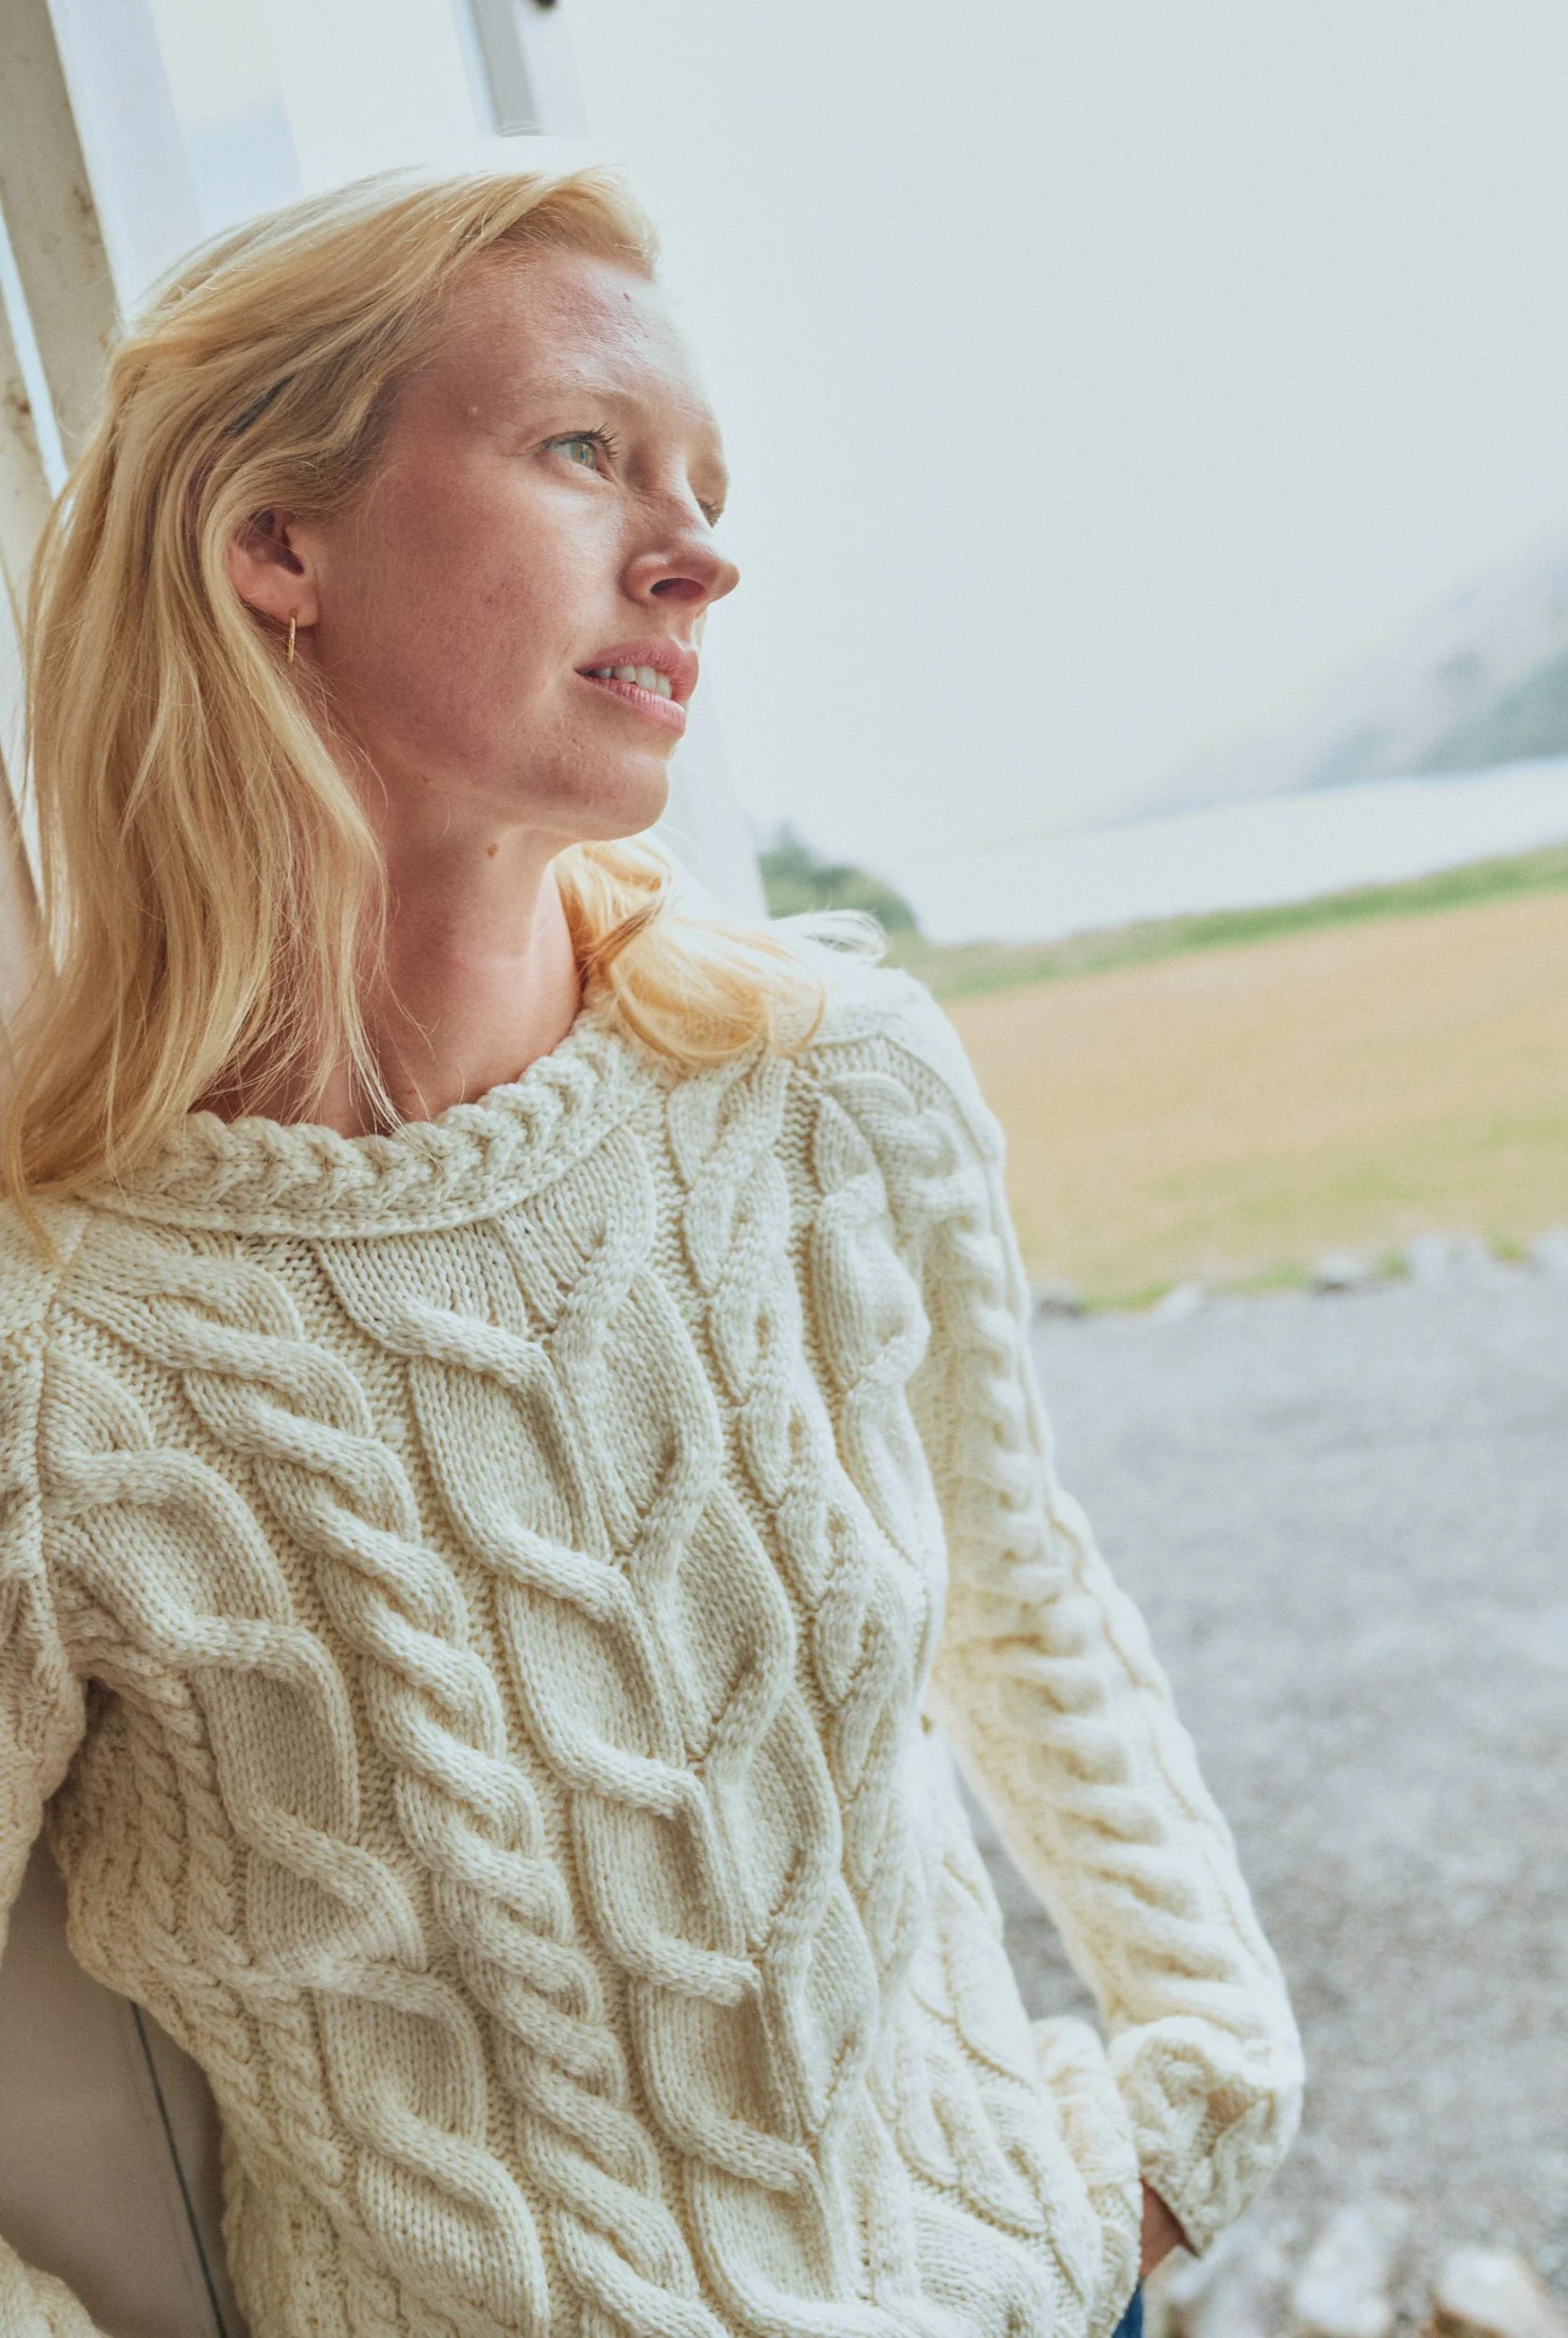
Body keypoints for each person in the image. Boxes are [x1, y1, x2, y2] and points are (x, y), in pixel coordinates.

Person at [0, 168, 1301, 2338]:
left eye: (707, 486)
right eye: (585, 453)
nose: (699, 553)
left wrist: (1200, 2083)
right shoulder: (57, 1338)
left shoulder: (833, 1088)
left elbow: (1022, 1595)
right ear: (273, 545)